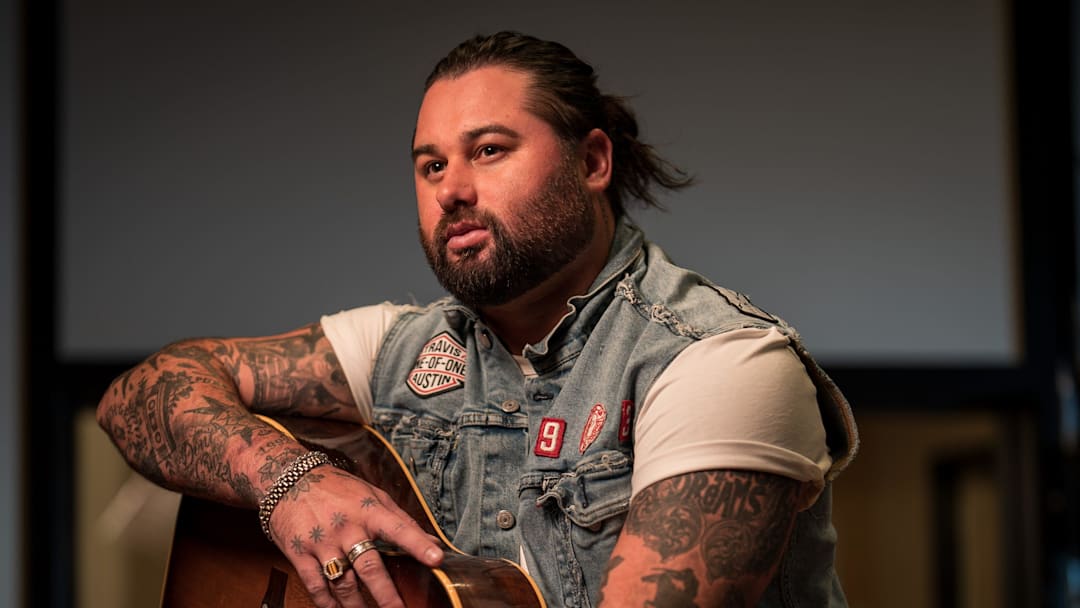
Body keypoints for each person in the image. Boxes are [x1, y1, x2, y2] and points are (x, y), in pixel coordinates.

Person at [97, 31, 858, 608]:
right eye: (431, 166)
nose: (451, 189)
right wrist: (290, 482)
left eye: (488, 151)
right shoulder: (399, 347)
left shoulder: (721, 366)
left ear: (593, 162)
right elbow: (142, 393)